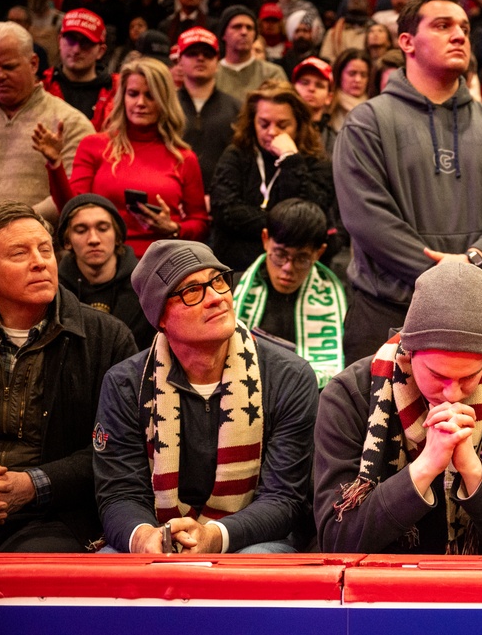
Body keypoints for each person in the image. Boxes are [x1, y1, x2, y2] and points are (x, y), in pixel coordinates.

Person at [333, 0, 482, 369]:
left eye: (463, 26)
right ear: (407, 42)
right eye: (443, 26)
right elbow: (367, 217)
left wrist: (476, 261)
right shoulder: (366, 123)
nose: (460, 34)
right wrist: (451, 278)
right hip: (389, 311)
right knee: (382, 430)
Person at [93, 240, 318, 554]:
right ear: (159, 317)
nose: (216, 298)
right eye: (191, 291)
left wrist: (214, 537)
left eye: (218, 281)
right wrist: (146, 539)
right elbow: (120, 495)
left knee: (257, 561)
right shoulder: (125, 383)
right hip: (158, 533)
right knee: (111, 568)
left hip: (252, 539)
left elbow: (284, 500)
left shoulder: (288, 376)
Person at [314, 261, 482, 554]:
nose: (452, 393)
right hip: (381, 585)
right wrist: (426, 466)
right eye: (438, 375)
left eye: (469, 378)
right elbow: (336, 540)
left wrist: (473, 471)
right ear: (409, 352)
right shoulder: (350, 395)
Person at [0, 202, 136, 552]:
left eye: (45, 249)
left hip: (60, 514)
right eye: (20, 253)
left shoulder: (107, 338)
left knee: (32, 569)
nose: (39, 262)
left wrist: (34, 484)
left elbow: (119, 449)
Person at [34, 56, 209, 257]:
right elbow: (72, 209)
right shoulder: (94, 145)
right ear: (122, 97)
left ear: (164, 101)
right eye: (133, 94)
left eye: (150, 96)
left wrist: (174, 228)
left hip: (163, 261)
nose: (140, 103)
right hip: (102, 262)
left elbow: (200, 223)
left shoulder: (183, 158)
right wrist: (55, 164)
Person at [210, 81, 334, 272]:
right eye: (264, 124)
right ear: (252, 122)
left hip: (292, 270)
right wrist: (282, 225)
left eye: (283, 125)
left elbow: (308, 216)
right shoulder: (236, 155)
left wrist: (290, 160)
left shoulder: (315, 162)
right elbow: (225, 213)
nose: (272, 132)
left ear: (299, 125)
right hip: (235, 268)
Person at [0, 22, 94, 219]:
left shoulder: (70, 123)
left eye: (9, 66)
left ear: (33, 63)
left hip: (40, 244)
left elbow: (74, 199)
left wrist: (8, 224)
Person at [234, 198, 347, 389]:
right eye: (279, 254)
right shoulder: (234, 289)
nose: (288, 268)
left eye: (302, 258)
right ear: (265, 239)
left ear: (319, 253)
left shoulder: (341, 296)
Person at [56, 194, 154, 350]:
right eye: (81, 231)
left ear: (117, 237)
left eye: (103, 229)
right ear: (67, 242)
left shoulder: (146, 289)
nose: (94, 239)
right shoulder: (55, 294)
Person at [175, 27, 242, 194]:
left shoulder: (237, 108)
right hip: (174, 195)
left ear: (217, 62)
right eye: (192, 53)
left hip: (223, 197)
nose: (200, 58)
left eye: (208, 54)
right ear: (179, 61)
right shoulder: (165, 105)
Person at [40, 8, 116, 132]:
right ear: (59, 41)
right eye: (70, 40)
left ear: (101, 51)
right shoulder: (41, 86)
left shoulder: (118, 92)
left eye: (85, 43)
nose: (76, 50)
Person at [215, 5, 289, 104]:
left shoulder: (272, 73)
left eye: (249, 28)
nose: (244, 32)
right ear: (223, 34)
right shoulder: (212, 74)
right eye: (237, 27)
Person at [292, 55, 337, 153]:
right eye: (304, 83)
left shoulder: (335, 142)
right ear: (292, 89)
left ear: (329, 98)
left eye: (319, 85)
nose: (311, 89)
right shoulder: (279, 130)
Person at [327, 47, 371, 132]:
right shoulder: (328, 107)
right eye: (352, 73)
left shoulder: (375, 109)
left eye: (363, 75)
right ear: (339, 75)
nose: (358, 80)